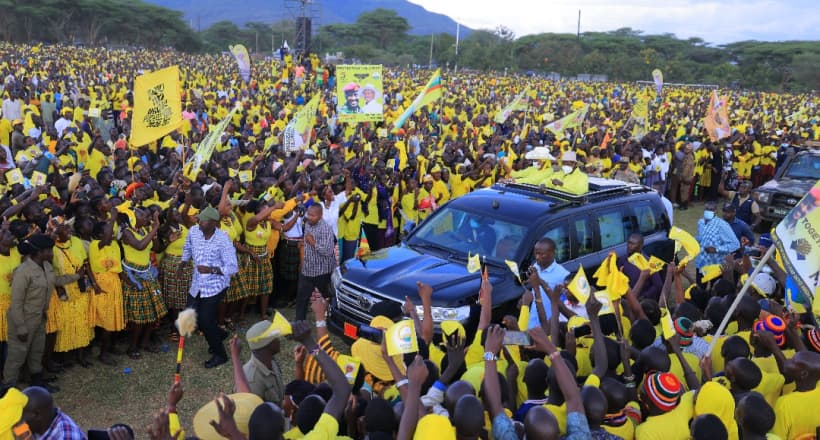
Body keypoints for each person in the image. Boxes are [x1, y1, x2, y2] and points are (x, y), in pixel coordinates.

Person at [4, 234, 82, 393]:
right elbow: (16, 302)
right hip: (23, 320)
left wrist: (77, 276)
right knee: (16, 356)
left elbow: (55, 280)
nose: (52, 253)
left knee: (36, 352)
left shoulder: (46, 266)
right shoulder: (23, 272)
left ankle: (38, 384)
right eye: (49, 250)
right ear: (39, 252)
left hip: (39, 318)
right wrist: (20, 327)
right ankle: (8, 390)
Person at [181, 206, 239, 368]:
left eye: (204, 220)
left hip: (215, 286)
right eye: (199, 218)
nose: (199, 221)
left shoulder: (223, 240)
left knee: (206, 321)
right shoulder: (194, 231)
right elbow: (187, 247)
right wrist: (182, 264)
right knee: (192, 315)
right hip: (197, 283)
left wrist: (211, 269)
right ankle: (219, 334)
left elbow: (233, 268)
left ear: (214, 222)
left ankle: (220, 355)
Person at [295, 205, 336, 321]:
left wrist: (312, 243)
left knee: (329, 296)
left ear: (320, 216)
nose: (309, 217)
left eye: (313, 215)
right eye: (309, 214)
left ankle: (333, 319)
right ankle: (299, 324)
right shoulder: (308, 223)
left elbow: (328, 251)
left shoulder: (326, 229)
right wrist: (303, 243)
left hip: (322, 271)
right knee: (302, 298)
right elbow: (307, 238)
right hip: (308, 269)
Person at [228, 321, 285, 404]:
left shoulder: (271, 362)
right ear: (266, 344)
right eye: (275, 337)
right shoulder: (251, 380)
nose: (279, 340)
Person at [526, 237, 570, 329]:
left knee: (509, 337)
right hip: (532, 324)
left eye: (542, 254)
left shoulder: (562, 275)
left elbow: (565, 305)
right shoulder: (535, 267)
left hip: (548, 328)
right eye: (536, 253)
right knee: (506, 337)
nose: (537, 257)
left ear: (553, 254)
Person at [695, 201, 740, 281]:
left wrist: (717, 249)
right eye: (707, 209)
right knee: (700, 287)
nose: (708, 211)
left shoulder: (722, 225)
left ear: (716, 211)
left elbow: (735, 244)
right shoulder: (701, 222)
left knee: (714, 288)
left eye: (711, 209)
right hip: (701, 262)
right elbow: (701, 238)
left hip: (715, 264)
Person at [21, 386, 85, 439]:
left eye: (21, 415)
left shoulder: (66, 436)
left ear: (37, 415)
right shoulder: (38, 425)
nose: (18, 420)